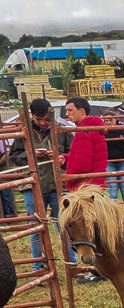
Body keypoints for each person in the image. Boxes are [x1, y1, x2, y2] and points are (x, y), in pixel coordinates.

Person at [7, 98, 74, 272]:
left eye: (46, 119)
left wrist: (61, 157)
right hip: (33, 185)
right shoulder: (24, 132)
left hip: (57, 183)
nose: (43, 123)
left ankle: (72, 263)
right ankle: (38, 266)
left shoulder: (62, 129)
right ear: (32, 116)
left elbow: (71, 154)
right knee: (36, 227)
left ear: (51, 114)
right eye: (39, 120)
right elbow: (14, 157)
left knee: (65, 224)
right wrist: (31, 155)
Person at [63, 97, 107, 193]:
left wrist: (68, 178)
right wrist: (66, 158)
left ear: (82, 111)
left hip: (84, 187)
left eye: (70, 110)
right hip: (94, 183)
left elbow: (81, 164)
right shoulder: (94, 129)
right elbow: (87, 156)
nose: (67, 114)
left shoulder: (84, 132)